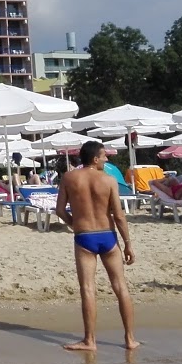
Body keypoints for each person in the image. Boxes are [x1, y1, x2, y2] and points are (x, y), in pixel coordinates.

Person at [56, 140, 138, 351]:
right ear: (94, 158)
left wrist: (74, 225)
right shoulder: (109, 180)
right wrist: (128, 244)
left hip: (85, 237)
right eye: (104, 156)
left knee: (88, 289)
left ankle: (90, 341)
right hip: (108, 236)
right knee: (121, 288)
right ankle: (129, 339)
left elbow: (60, 210)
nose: (106, 159)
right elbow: (119, 216)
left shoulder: (69, 178)